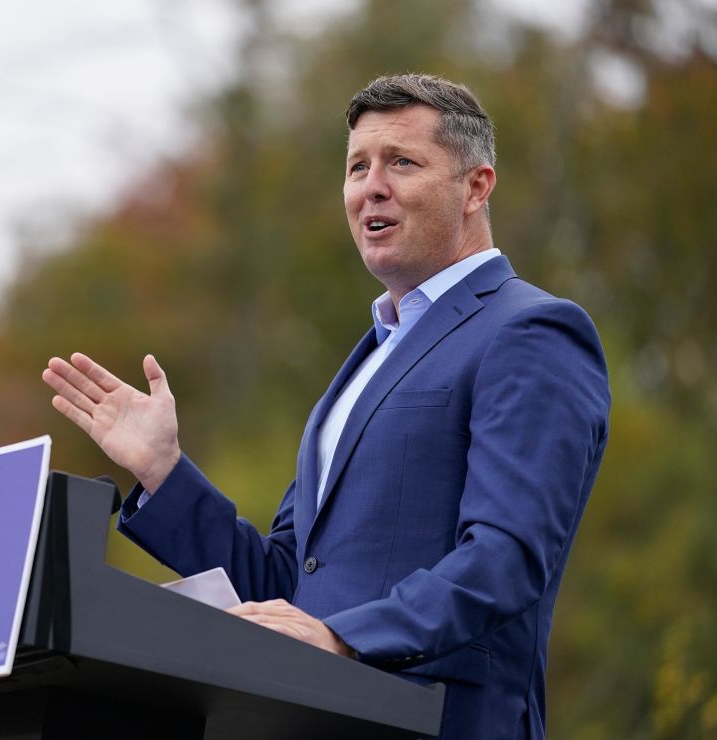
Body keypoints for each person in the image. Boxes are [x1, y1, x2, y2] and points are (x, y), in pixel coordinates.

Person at [41, 73, 610, 739]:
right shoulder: (365, 364)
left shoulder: (531, 332)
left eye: (402, 162)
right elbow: (285, 587)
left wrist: (344, 637)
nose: (372, 184)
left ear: (476, 187)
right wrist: (164, 473)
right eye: (357, 167)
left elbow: (505, 558)